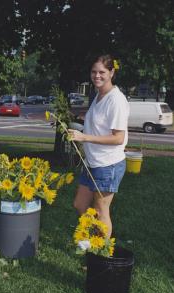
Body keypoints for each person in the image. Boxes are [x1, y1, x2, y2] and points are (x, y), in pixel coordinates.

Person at [68, 54, 129, 238]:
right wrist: (80, 124)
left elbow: (118, 138)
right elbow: (99, 124)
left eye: (102, 72)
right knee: (80, 205)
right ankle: (95, 236)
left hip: (108, 164)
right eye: (94, 72)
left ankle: (101, 255)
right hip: (92, 162)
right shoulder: (98, 95)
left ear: (111, 72)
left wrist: (84, 137)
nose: (97, 76)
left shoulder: (116, 100)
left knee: (101, 210)